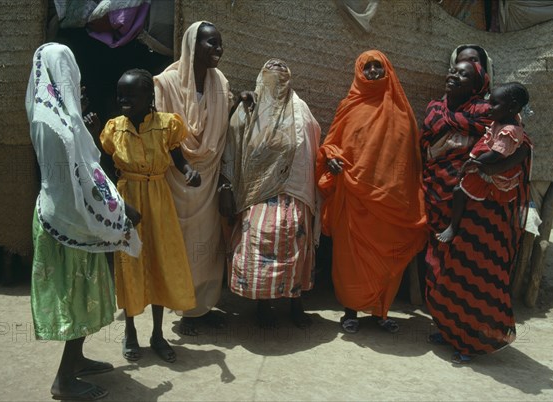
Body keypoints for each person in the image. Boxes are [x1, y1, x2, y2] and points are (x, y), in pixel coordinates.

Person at [27, 43, 142, 400]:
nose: (79, 82)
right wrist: (121, 209)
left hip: (59, 214)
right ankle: (64, 379)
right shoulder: (62, 124)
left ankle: (77, 359)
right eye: (73, 74)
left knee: (85, 290)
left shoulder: (47, 112)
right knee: (77, 296)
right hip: (69, 220)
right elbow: (83, 177)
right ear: (64, 74)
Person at [421, 61, 532, 364]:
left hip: (489, 220)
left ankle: (472, 344)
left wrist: (481, 164)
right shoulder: (490, 117)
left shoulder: (512, 130)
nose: (489, 107)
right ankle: (450, 329)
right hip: (464, 209)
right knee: (450, 273)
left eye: (495, 103)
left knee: (479, 280)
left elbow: (511, 155)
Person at [316, 50, 427, 334]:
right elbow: (331, 144)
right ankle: (350, 311)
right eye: (369, 68)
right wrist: (331, 159)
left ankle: (381, 313)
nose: (374, 73)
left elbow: (409, 161)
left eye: (379, 67)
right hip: (353, 199)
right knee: (350, 261)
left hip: (391, 203)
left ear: (389, 70)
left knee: (387, 258)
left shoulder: (401, 111)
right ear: (359, 72)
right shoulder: (348, 106)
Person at [100, 69, 199, 363]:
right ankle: (130, 331)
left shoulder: (167, 126)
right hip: (127, 200)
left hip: (158, 199)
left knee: (159, 262)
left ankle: (158, 334)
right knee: (129, 263)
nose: (123, 99)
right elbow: (103, 170)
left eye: (131, 95)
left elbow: (180, 160)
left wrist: (190, 172)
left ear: (149, 97)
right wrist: (116, 204)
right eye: (120, 94)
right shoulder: (113, 129)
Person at [220, 59, 321, 328]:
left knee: (295, 246)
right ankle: (263, 305)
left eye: (282, 78)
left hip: (293, 193)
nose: (276, 84)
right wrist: (227, 187)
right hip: (256, 193)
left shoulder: (300, 110)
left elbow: (311, 145)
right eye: (270, 77)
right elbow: (231, 146)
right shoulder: (248, 109)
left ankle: (295, 305)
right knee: (257, 243)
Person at [153, 21, 232, 335]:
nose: (218, 50)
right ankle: (185, 308)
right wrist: (183, 166)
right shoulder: (166, 83)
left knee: (207, 246)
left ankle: (201, 309)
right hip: (178, 178)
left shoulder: (220, 82)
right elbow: (162, 133)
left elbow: (222, 123)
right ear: (192, 46)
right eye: (211, 43)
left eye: (219, 43)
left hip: (208, 180)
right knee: (183, 247)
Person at [437, 82, 532, 242]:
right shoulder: (508, 117)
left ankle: (453, 226)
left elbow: (496, 154)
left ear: (512, 107)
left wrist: (473, 162)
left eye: (494, 104)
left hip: (490, 169)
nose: (488, 107)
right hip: (487, 164)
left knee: (458, 191)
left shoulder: (508, 132)